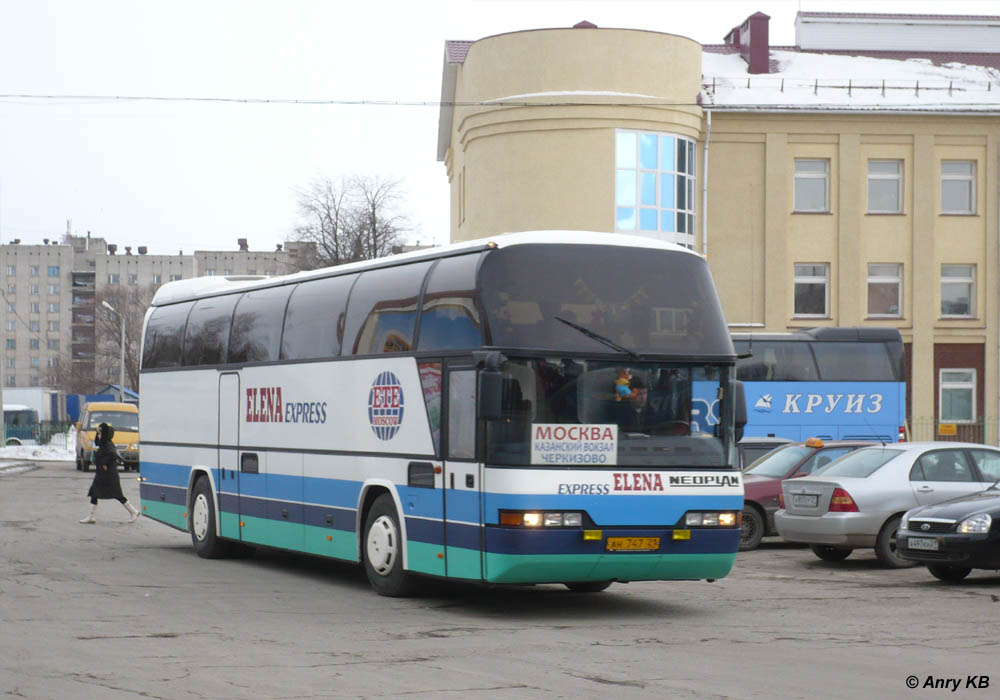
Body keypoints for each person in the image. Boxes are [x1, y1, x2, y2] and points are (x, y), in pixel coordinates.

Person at [79, 422, 140, 524]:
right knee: (95, 493)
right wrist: (98, 432)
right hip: (102, 474)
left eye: (99, 433)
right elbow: (97, 442)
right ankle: (91, 516)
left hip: (108, 475)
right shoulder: (103, 443)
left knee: (117, 494)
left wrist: (105, 464)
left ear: (105, 434)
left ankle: (133, 511)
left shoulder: (108, 444)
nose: (98, 435)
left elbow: (112, 455)